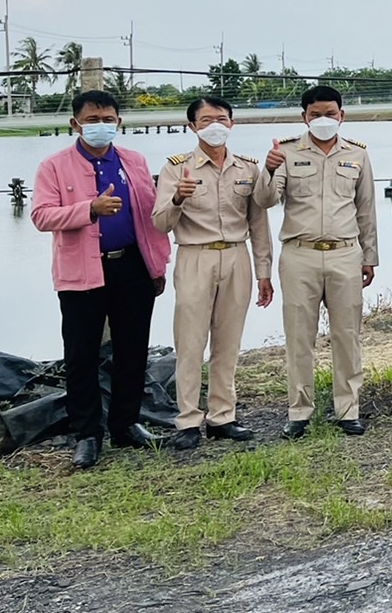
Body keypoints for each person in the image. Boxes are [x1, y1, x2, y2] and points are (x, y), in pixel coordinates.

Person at [30, 91, 171, 469]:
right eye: (92, 120)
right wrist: (88, 209)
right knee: (82, 354)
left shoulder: (134, 161)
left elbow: (148, 216)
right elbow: (42, 216)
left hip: (132, 267)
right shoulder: (54, 166)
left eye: (107, 118)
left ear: (118, 122)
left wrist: (157, 267)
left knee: (132, 348)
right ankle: (87, 434)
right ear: (75, 124)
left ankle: (126, 424)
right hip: (83, 271)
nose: (100, 125)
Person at [255, 85, 379, 439]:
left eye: (330, 113)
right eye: (315, 114)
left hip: (345, 253)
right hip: (300, 254)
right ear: (304, 117)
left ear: (342, 115)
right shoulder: (287, 152)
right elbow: (265, 200)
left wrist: (369, 257)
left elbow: (366, 209)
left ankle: (348, 409)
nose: (323, 120)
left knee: (347, 335)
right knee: (299, 337)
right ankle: (299, 411)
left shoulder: (357, 155)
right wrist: (268, 168)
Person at [152, 96, 273, 450]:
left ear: (232, 124)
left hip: (236, 256)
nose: (215, 126)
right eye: (206, 120)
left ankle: (222, 416)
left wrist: (263, 271)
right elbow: (159, 224)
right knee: (190, 342)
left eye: (221, 118)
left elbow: (258, 224)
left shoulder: (248, 168)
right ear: (192, 127)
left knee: (228, 343)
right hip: (195, 256)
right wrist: (178, 198)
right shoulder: (177, 168)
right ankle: (188, 420)